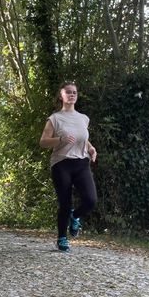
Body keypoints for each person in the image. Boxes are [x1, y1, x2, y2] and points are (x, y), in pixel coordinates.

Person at [39, 81, 97, 253]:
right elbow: (42, 142)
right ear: (61, 95)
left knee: (91, 200)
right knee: (65, 202)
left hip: (81, 163)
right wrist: (60, 140)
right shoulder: (54, 119)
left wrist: (91, 148)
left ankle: (75, 216)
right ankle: (61, 238)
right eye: (69, 92)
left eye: (74, 93)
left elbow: (83, 139)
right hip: (61, 164)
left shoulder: (83, 118)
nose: (72, 95)